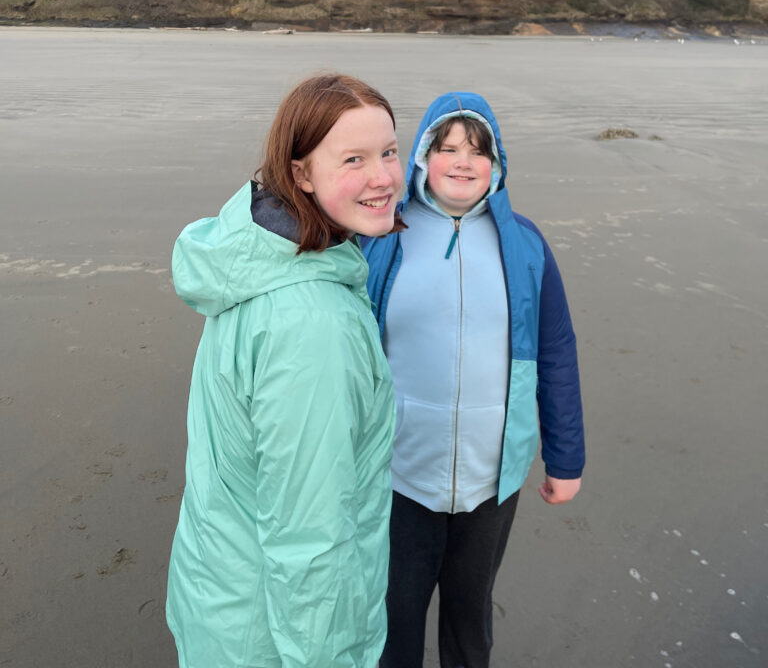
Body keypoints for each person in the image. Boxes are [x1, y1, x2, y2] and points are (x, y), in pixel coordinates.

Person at [166, 73, 404, 668]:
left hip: (221, 595)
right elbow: (310, 540)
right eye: (354, 158)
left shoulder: (254, 256)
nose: (383, 178)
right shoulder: (313, 325)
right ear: (301, 173)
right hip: (269, 638)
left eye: (390, 152)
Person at [363, 91, 585, 668]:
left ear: (497, 164)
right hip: (397, 473)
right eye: (448, 147)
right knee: (392, 619)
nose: (463, 161)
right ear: (421, 157)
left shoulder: (526, 246)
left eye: (478, 151)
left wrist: (566, 461)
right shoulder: (382, 236)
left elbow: (557, 353)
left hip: (492, 478)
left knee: (470, 624)